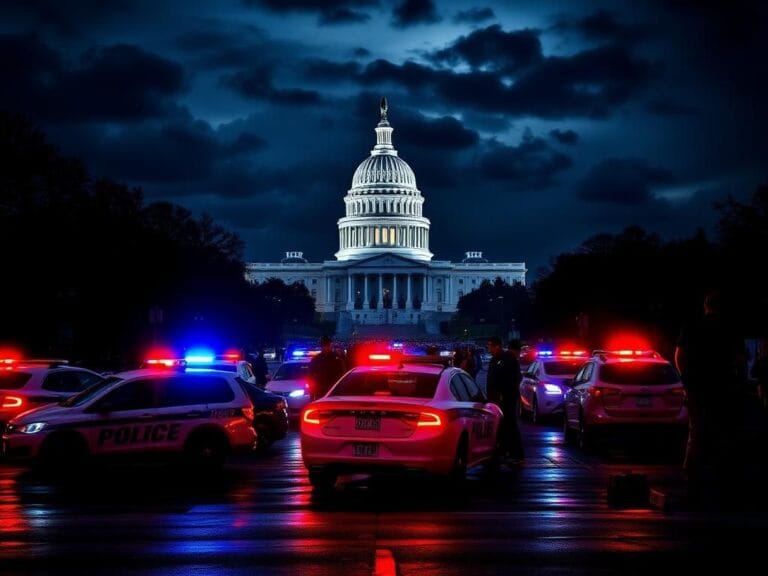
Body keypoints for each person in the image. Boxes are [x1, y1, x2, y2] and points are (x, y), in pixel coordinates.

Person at [674, 290, 747, 508]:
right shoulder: (731, 328)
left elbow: (679, 356)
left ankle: (693, 485)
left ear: (706, 305)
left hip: (697, 387)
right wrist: (739, 381)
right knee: (725, 433)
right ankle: (724, 485)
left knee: (696, 435)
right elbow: (741, 359)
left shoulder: (693, 326)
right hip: (724, 386)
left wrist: (686, 380)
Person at [486, 336, 524, 462]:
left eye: (490, 346)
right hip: (502, 398)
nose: (489, 348)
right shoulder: (501, 359)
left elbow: (507, 379)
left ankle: (513, 453)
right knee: (505, 425)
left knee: (508, 425)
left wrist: (501, 393)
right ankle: (506, 451)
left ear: (497, 346)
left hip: (505, 398)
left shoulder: (505, 359)